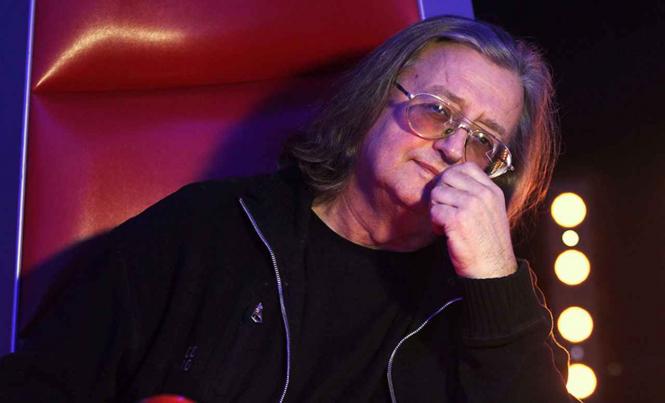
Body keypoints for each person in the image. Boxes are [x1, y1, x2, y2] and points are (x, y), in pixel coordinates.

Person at [0, 15, 578, 402]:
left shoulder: (489, 299)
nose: (453, 148)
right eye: (438, 110)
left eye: (484, 141)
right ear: (375, 101)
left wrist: (495, 282)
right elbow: (38, 383)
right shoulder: (206, 229)